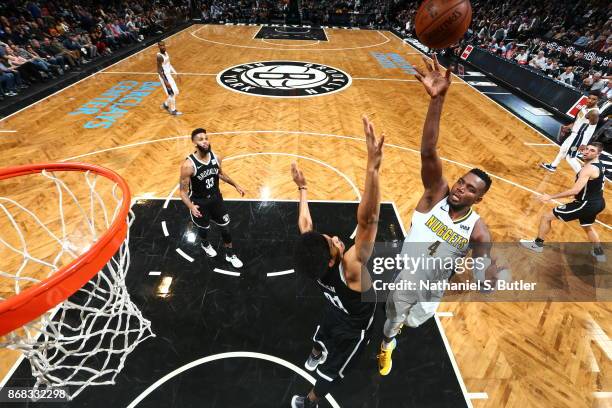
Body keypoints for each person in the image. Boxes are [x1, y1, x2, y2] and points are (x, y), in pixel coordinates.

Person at [377, 55, 500, 376]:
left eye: (470, 188)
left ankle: (399, 329)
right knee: (391, 322)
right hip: (404, 275)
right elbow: (428, 151)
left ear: (479, 198)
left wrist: (480, 278)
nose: (461, 188)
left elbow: (479, 275)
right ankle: (387, 344)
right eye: (461, 181)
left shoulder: (479, 232)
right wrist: (437, 101)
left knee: (414, 320)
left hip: (431, 290)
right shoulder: (435, 195)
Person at [290, 115, 384, 408]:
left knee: (322, 334)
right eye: (333, 243)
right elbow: (368, 219)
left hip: (334, 309)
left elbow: (306, 226)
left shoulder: (314, 260)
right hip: (353, 326)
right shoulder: (351, 268)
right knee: (332, 372)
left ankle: (316, 353)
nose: (333, 238)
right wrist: (372, 166)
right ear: (332, 261)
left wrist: (302, 189)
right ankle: (311, 401)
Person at [521, 142, 606, 262]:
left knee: (546, 217)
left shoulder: (588, 168)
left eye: (592, 150)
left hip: (585, 204)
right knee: (587, 226)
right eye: (587, 149)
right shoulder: (600, 164)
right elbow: (593, 185)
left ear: (598, 153)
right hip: (598, 202)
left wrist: (551, 196)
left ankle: (537, 245)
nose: (587, 152)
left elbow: (575, 190)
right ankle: (599, 252)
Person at [179, 128, 245, 268]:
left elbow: (220, 174)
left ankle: (230, 254)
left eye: (206, 138)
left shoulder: (216, 157)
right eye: (200, 139)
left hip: (216, 199)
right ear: (194, 143)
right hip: (199, 203)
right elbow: (183, 192)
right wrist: (191, 206)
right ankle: (205, 244)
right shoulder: (188, 165)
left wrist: (236, 185)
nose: (205, 142)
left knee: (225, 229)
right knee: (204, 229)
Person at [541, 92, 600, 173]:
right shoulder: (585, 107)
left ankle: (582, 177)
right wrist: (568, 127)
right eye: (589, 98)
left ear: (598, 101)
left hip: (579, 137)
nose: (590, 101)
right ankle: (553, 166)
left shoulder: (594, 113)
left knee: (570, 157)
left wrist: (584, 143)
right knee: (563, 149)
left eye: (594, 99)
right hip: (574, 134)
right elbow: (578, 120)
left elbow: (591, 129)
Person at [157, 40, 181, 116]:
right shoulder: (159, 56)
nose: (163, 47)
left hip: (169, 75)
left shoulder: (166, 53)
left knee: (176, 92)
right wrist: (165, 81)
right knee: (172, 94)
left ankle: (165, 104)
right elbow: (158, 70)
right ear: (159, 47)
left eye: (163, 45)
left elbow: (169, 65)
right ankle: (173, 111)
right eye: (161, 46)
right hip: (164, 77)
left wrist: (176, 73)